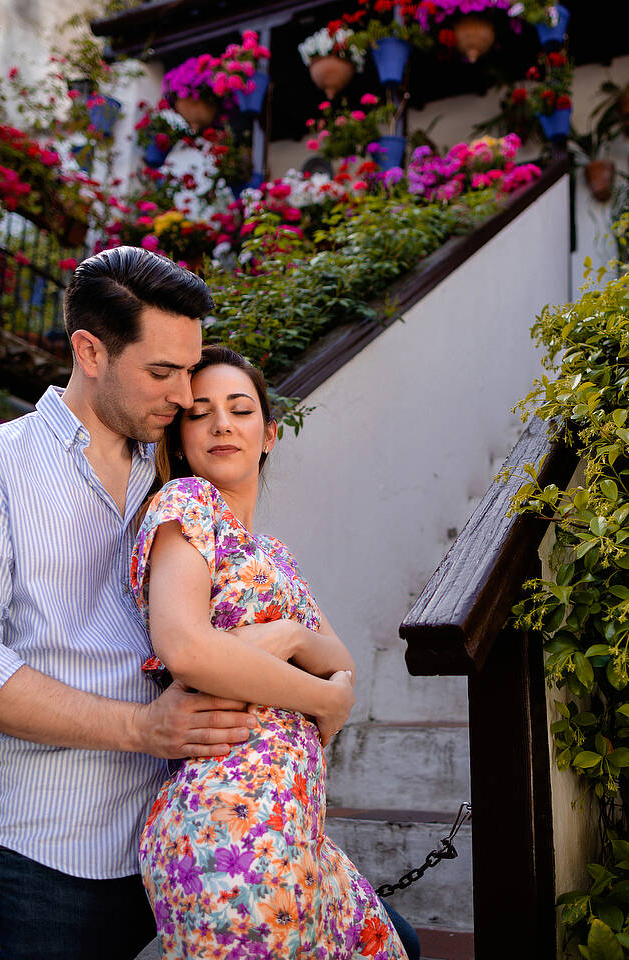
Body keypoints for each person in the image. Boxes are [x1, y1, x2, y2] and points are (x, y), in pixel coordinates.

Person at [0, 248, 294, 960]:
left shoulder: (176, 469)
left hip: (187, 837)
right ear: (89, 350)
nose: (185, 395)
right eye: (162, 372)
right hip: (50, 853)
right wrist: (147, 728)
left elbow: (255, 584)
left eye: (189, 368)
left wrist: (317, 674)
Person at [129, 345, 417, 960]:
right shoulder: (186, 504)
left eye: (240, 409)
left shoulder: (273, 553)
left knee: (396, 946)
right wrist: (322, 696)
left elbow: (339, 656)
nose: (222, 424)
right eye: (199, 412)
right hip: (230, 818)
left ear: (269, 435)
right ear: (179, 438)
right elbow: (187, 650)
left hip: (296, 820)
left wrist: (286, 637)